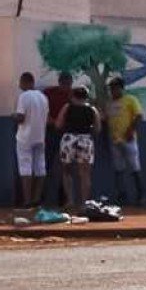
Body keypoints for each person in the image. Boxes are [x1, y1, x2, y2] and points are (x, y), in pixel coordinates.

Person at [55, 85, 100, 209]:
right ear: (86, 97)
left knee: (66, 171)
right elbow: (98, 128)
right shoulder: (92, 110)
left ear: (73, 96)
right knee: (85, 173)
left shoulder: (67, 107)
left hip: (69, 139)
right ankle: (84, 203)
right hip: (85, 140)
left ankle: (70, 200)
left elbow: (58, 124)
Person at [104, 76, 144, 205]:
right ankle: (122, 196)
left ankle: (141, 195)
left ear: (121, 88)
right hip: (114, 139)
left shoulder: (130, 100)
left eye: (115, 88)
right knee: (118, 169)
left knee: (134, 167)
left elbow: (138, 116)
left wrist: (131, 131)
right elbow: (106, 119)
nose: (113, 91)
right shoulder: (109, 103)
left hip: (128, 139)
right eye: (111, 89)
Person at [13, 73, 50, 209]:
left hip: (25, 137)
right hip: (40, 136)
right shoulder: (43, 97)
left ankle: (27, 200)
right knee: (40, 167)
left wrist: (14, 116)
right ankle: (37, 199)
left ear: (25, 82)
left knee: (25, 167)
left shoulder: (24, 97)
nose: (19, 85)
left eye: (20, 82)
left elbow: (21, 118)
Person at [43, 71, 74, 207]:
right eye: (64, 84)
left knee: (65, 167)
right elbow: (44, 112)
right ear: (60, 82)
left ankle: (63, 198)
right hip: (52, 131)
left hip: (67, 134)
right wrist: (54, 121)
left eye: (68, 85)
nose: (66, 87)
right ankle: (45, 198)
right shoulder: (49, 93)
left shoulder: (73, 96)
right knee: (48, 164)